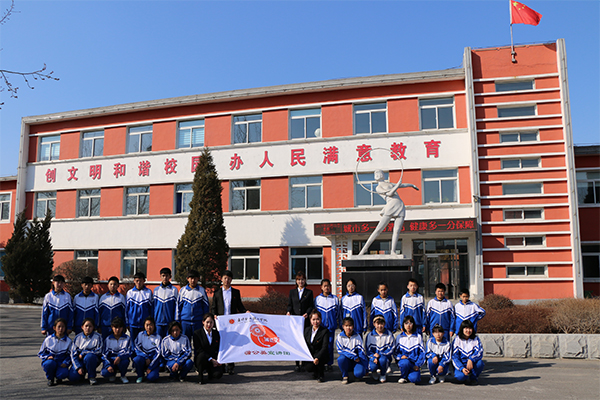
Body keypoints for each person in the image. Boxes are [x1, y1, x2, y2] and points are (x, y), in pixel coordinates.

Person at [358, 169, 419, 255]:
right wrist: (397, 185)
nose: (378, 175)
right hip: (391, 205)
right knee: (378, 229)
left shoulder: (389, 183)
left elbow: (402, 185)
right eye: (376, 174)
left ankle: (393, 251)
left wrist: (411, 185)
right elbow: (390, 193)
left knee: (397, 230)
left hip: (400, 205)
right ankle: (364, 249)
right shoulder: (378, 188)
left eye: (380, 173)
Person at [211, 269, 248, 375]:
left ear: (231, 280)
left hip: (232, 323)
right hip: (221, 323)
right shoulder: (217, 293)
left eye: (229, 278)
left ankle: (231, 366)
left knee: (232, 344)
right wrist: (214, 316)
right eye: (225, 278)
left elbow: (239, 306)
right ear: (222, 279)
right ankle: (221, 365)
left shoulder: (236, 292)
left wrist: (246, 312)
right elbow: (214, 307)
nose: (227, 280)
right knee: (221, 343)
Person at [286, 270, 314, 372]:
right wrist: (288, 312)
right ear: (296, 281)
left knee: (305, 341)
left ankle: (304, 363)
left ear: (305, 281)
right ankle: (297, 363)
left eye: (302, 279)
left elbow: (311, 306)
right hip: (295, 322)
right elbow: (290, 305)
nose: (300, 281)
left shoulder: (309, 292)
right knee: (296, 342)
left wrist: (307, 313)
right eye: (298, 280)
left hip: (305, 321)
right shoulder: (292, 292)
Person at [38, 318, 72, 386]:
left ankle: (58, 377)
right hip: (51, 361)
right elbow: (41, 353)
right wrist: (47, 357)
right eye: (59, 327)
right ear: (54, 328)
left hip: (61, 362)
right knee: (49, 364)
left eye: (63, 327)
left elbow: (70, 355)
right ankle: (50, 378)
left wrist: (65, 363)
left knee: (63, 373)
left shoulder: (68, 341)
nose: (61, 329)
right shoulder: (48, 339)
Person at [313, 278, 338, 371]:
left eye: (328, 286)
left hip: (331, 327)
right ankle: (321, 363)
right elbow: (315, 313)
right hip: (321, 327)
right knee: (321, 346)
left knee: (330, 345)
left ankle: (329, 363)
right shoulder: (317, 299)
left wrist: (334, 322)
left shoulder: (335, 299)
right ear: (321, 287)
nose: (326, 288)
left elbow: (337, 313)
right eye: (325, 286)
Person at [177, 270, 209, 341]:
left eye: (195, 278)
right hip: (185, 321)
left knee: (198, 342)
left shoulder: (202, 290)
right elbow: (178, 306)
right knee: (185, 342)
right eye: (191, 278)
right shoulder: (183, 290)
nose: (193, 280)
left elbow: (206, 306)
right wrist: (178, 320)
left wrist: (205, 320)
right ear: (187, 279)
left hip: (198, 321)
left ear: (198, 279)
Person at [69, 317, 103, 385]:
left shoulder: (98, 337)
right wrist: (78, 367)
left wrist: (84, 352)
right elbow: (73, 354)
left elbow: (99, 351)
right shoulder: (78, 337)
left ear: (93, 327)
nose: (88, 328)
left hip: (92, 359)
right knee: (73, 377)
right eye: (86, 326)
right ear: (82, 327)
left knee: (89, 357)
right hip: (80, 360)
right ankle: (81, 373)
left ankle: (91, 376)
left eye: (90, 326)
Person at [193, 313, 223, 384]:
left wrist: (218, 360)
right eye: (207, 322)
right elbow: (199, 349)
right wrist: (210, 359)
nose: (209, 324)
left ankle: (211, 373)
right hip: (203, 359)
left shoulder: (216, 333)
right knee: (201, 356)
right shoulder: (197, 333)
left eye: (211, 322)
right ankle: (200, 375)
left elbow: (218, 348)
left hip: (213, 359)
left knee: (218, 375)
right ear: (203, 322)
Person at [336, 317, 368, 384]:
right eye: (346, 326)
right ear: (343, 327)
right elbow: (340, 350)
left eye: (350, 325)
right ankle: (345, 375)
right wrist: (353, 356)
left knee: (360, 373)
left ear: (353, 326)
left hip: (356, 360)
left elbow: (361, 351)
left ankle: (356, 373)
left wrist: (366, 367)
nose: (348, 328)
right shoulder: (340, 336)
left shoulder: (357, 336)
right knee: (341, 359)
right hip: (347, 359)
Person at [394, 315, 425, 384]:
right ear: (403, 325)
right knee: (405, 362)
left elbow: (422, 353)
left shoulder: (418, 337)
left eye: (410, 323)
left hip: (414, 363)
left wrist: (418, 365)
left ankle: (410, 375)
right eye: (406, 323)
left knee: (415, 379)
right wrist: (400, 357)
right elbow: (395, 352)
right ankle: (403, 376)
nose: (408, 325)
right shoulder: (399, 337)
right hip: (404, 361)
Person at [452, 320, 484, 385]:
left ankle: (473, 378)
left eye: (470, 328)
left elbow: (479, 352)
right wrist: (462, 368)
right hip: (462, 364)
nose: (468, 331)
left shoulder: (476, 339)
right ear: (462, 329)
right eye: (466, 328)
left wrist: (471, 359)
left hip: (472, 364)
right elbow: (454, 357)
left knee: (480, 363)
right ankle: (464, 376)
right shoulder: (457, 340)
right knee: (460, 377)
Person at [364, 314, 394, 383]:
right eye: (378, 324)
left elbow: (391, 348)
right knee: (372, 366)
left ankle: (383, 374)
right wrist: (373, 357)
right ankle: (374, 372)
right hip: (373, 357)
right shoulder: (370, 335)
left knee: (383, 360)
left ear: (384, 324)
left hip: (384, 357)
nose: (380, 326)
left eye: (381, 324)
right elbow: (368, 349)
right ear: (374, 324)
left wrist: (380, 355)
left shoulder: (389, 334)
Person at [101, 316, 131, 384]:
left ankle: (123, 375)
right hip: (111, 360)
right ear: (112, 327)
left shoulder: (127, 338)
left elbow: (129, 352)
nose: (117, 330)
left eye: (120, 327)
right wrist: (108, 365)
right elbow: (104, 354)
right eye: (115, 327)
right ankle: (112, 373)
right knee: (104, 373)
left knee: (125, 361)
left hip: (121, 360)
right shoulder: (108, 339)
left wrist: (120, 357)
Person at [302, 310, 329, 383]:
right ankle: (315, 371)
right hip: (310, 355)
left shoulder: (325, 331)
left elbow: (324, 347)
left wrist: (317, 357)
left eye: (317, 319)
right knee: (308, 368)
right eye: (313, 319)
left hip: (320, 354)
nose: (315, 322)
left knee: (320, 361)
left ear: (321, 319)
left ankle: (321, 374)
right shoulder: (307, 330)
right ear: (310, 320)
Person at [133, 316, 162, 383]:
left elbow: (158, 354)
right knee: (137, 359)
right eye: (147, 325)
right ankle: (140, 375)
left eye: (151, 325)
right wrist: (145, 357)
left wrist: (150, 367)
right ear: (144, 326)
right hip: (143, 358)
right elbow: (136, 347)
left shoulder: (158, 337)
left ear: (154, 326)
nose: (149, 327)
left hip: (153, 361)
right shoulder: (140, 335)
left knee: (152, 377)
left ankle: (151, 372)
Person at [126, 272, 154, 340]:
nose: (139, 283)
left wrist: (151, 322)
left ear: (144, 281)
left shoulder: (148, 292)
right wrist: (127, 323)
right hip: (133, 324)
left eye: (140, 281)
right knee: (133, 342)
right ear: (134, 281)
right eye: (137, 281)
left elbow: (151, 309)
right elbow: (126, 309)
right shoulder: (130, 293)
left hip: (145, 325)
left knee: (144, 342)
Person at [153, 267, 178, 338]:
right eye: (163, 276)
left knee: (168, 341)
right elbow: (153, 306)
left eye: (167, 276)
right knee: (158, 340)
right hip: (158, 322)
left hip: (169, 322)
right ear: (160, 276)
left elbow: (176, 306)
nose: (165, 278)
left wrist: (175, 320)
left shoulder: (174, 290)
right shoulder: (156, 290)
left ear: (170, 276)